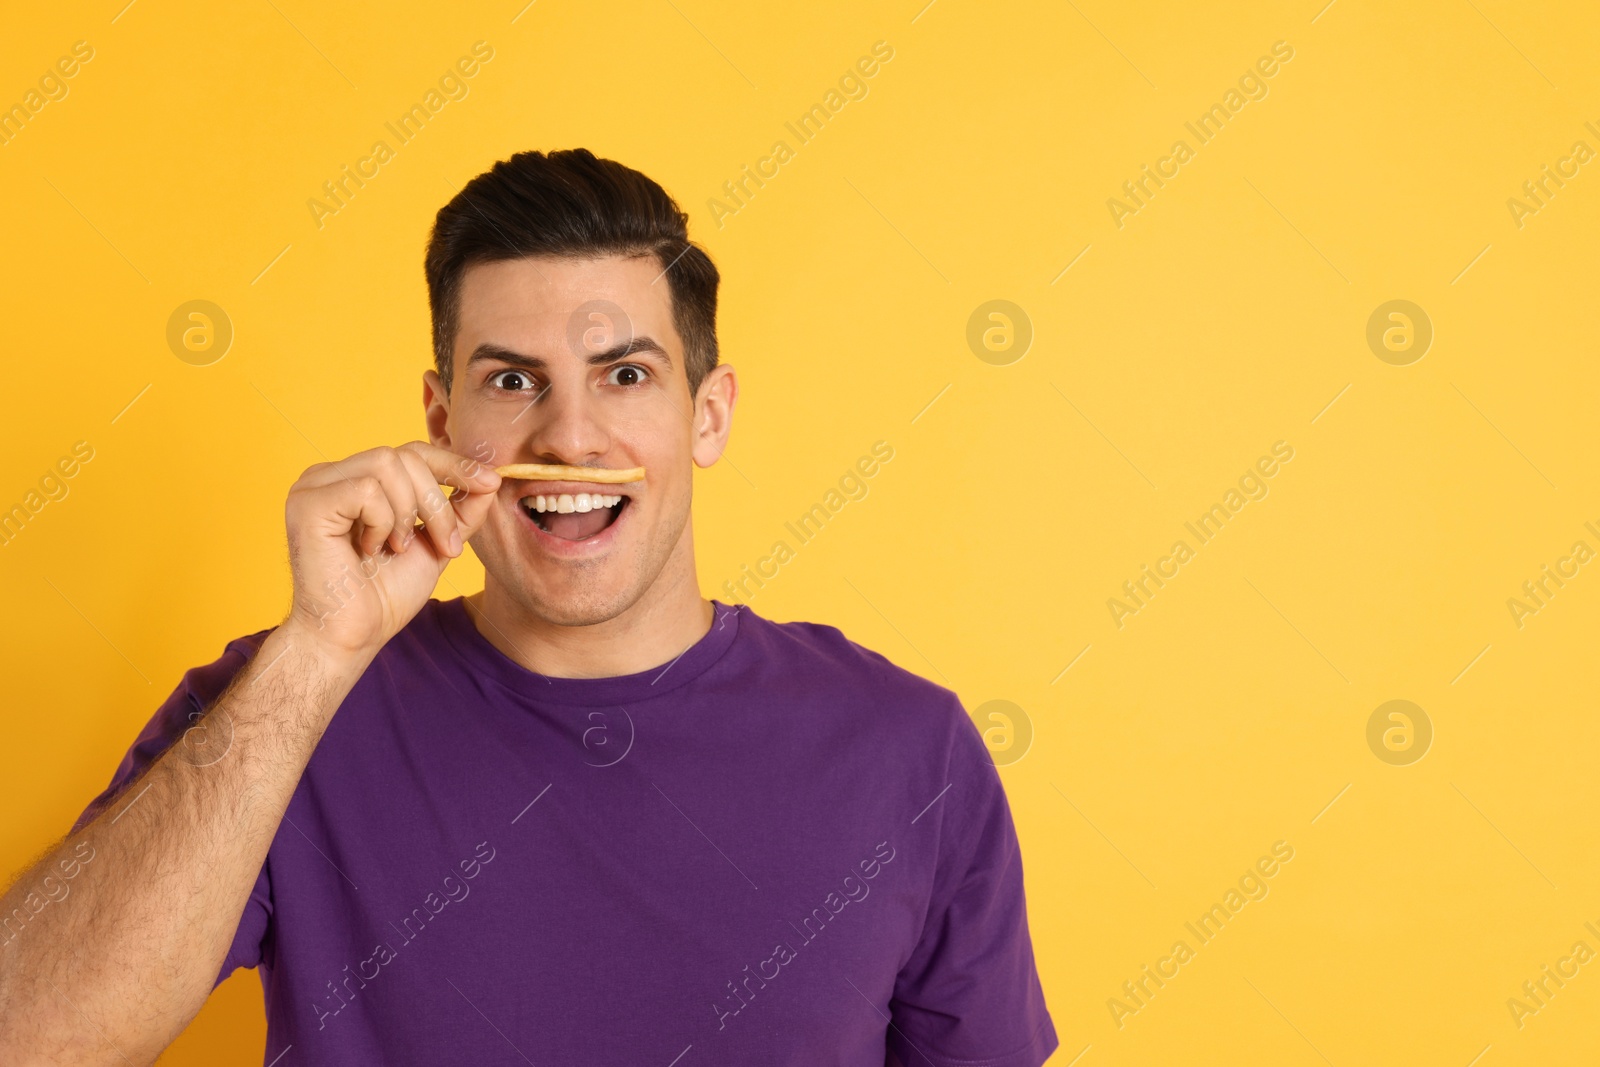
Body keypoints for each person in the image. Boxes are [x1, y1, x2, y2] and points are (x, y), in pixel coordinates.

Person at [0, 148, 1057, 1066]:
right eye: (511, 383)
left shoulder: (911, 751)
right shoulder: (279, 705)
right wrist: (318, 650)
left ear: (709, 413)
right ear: (438, 414)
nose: (571, 437)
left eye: (625, 374)